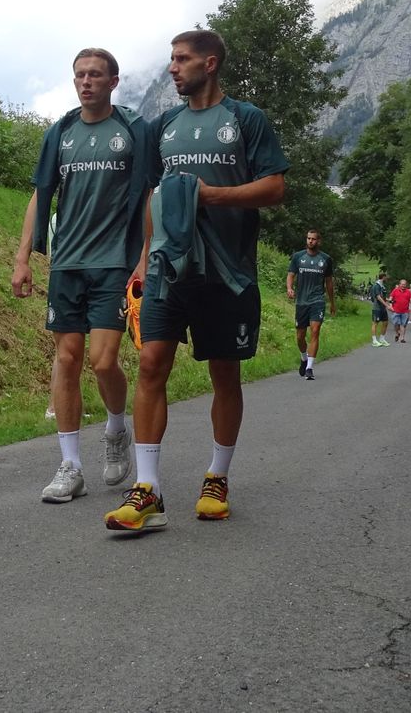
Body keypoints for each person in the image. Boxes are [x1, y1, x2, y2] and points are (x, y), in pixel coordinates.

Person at [104, 29, 287, 532]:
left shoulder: (245, 119)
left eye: (181, 59)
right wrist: (144, 258)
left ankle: (217, 478)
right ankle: (148, 490)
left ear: (210, 64)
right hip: (168, 268)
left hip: (228, 273)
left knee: (224, 374)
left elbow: (275, 187)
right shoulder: (164, 125)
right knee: (150, 362)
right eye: (171, 59)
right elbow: (154, 196)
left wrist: (211, 196)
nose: (172, 67)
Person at [12, 48, 149, 503]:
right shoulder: (61, 133)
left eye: (95, 75)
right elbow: (41, 194)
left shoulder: (131, 131)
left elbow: (147, 197)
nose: (86, 82)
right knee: (67, 359)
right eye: (79, 75)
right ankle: (70, 466)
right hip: (67, 263)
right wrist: (23, 257)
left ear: (113, 81)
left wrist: (145, 257)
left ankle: (115, 429)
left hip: (113, 263)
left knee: (103, 361)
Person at [286, 229, 335, 380]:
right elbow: (290, 275)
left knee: (315, 331)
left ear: (318, 241)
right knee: (300, 337)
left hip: (317, 300)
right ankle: (303, 358)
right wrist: (289, 288)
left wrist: (332, 302)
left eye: (313, 239)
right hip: (301, 301)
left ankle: (309, 368)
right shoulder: (298, 257)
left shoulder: (326, 259)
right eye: (308, 238)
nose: (310, 241)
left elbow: (329, 282)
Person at [368, 270, 391, 346]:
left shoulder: (382, 285)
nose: (387, 279)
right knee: (375, 323)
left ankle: (382, 339)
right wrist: (387, 305)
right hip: (377, 308)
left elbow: (383, 297)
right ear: (383, 277)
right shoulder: (376, 285)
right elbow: (378, 297)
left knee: (385, 322)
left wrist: (389, 300)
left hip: (382, 308)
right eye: (386, 277)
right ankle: (374, 341)